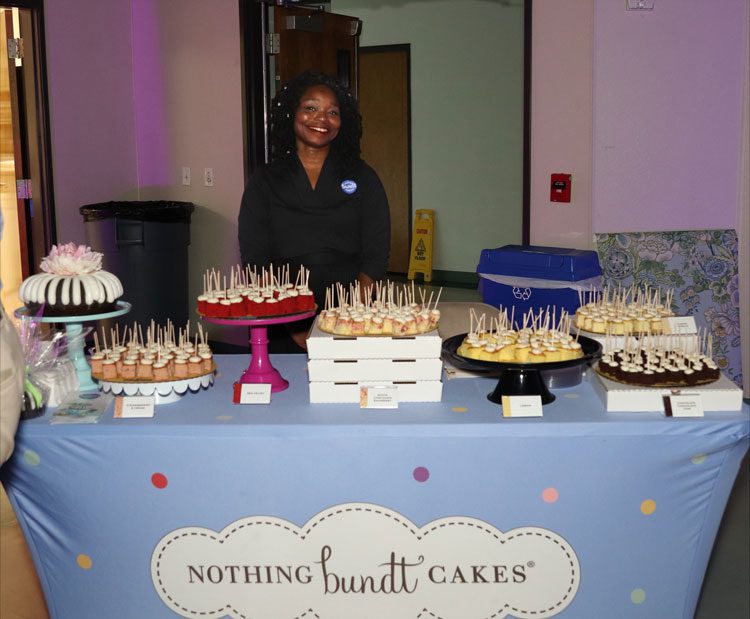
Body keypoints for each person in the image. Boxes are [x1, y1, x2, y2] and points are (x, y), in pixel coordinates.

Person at [238, 70, 390, 351]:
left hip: (350, 306)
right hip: (281, 307)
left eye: (333, 112)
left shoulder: (363, 176)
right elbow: (255, 256)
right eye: (310, 108)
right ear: (292, 113)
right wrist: (294, 323)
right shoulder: (265, 179)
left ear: (342, 122)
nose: (322, 119)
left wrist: (347, 317)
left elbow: (376, 252)